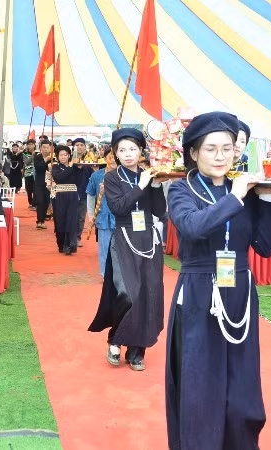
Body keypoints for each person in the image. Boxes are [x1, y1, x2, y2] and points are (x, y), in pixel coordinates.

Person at [163, 112, 271, 449]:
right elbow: (193, 227)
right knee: (200, 384)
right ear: (194, 153)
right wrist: (235, 197)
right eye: (210, 149)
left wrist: (270, 198)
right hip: (199, 292)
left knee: (242, 384)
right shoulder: (181, 190)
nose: (219, 156)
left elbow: (266, 247)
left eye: (227, 148)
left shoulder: (246, 189)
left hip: (239, 292)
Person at [88, 128, 166, 372]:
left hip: (148, 240)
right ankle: (116, 338)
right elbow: (119, 208)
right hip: (123, 239)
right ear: (115, 154)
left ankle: (137, 351)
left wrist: (155, 187)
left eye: (132, 149)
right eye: (122, 150)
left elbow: (159, 211)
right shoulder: (111, 178)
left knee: (148, 294)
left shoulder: (148, 175)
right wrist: (141, 186)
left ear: (141, 151)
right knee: (128, 294)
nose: (128, 154)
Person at [86, 148, 118, 277]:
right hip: (103, 216)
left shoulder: (125, 174)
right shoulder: (97, 175)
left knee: (121, 249)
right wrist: (90, 215)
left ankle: (120, 275)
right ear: (105, 159)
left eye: (115, 157)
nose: (113, 160)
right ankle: (106, 275)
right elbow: (90, 195)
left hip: (122, 217)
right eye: (110, 157)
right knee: (105, 248)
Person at [50, 146, 80, 255]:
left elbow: (80, 179)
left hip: (72, 196)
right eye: (61, 155)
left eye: (65, 155)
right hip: (60, 196)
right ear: (57, 156)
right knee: (60, 220)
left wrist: (77, 167)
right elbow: (59, 178)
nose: (63, 157)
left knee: (71, 220)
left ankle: (70, 244)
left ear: (69, 156)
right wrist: (70, 167)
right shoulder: (55, 167)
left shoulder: (74, 167)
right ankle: (61, 244)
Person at [33, 140, 53, 229]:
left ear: (50, 148)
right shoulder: (38, 157)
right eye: (43, 147)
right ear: (40, 148)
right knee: (40, 201)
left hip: (49, 183)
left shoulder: (53, 158)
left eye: (47, 147)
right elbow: (38, 168)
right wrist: (45, 160)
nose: (45, 149)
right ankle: (39, 221)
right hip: (39, 183)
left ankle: (43, 219)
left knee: (46, 202)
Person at [23, 139, 36, 209]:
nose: (30, 146)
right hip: (28, 174)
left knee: (35, 189)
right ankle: (30, 203)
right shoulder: (25, 153)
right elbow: (26, 162)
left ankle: (34, 204)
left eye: (32, 144)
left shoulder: (38, 152)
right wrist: (32, 156)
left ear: (34, 145)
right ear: (27, 146)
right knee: (29, 189)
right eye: (29, 144)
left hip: (35, 174)